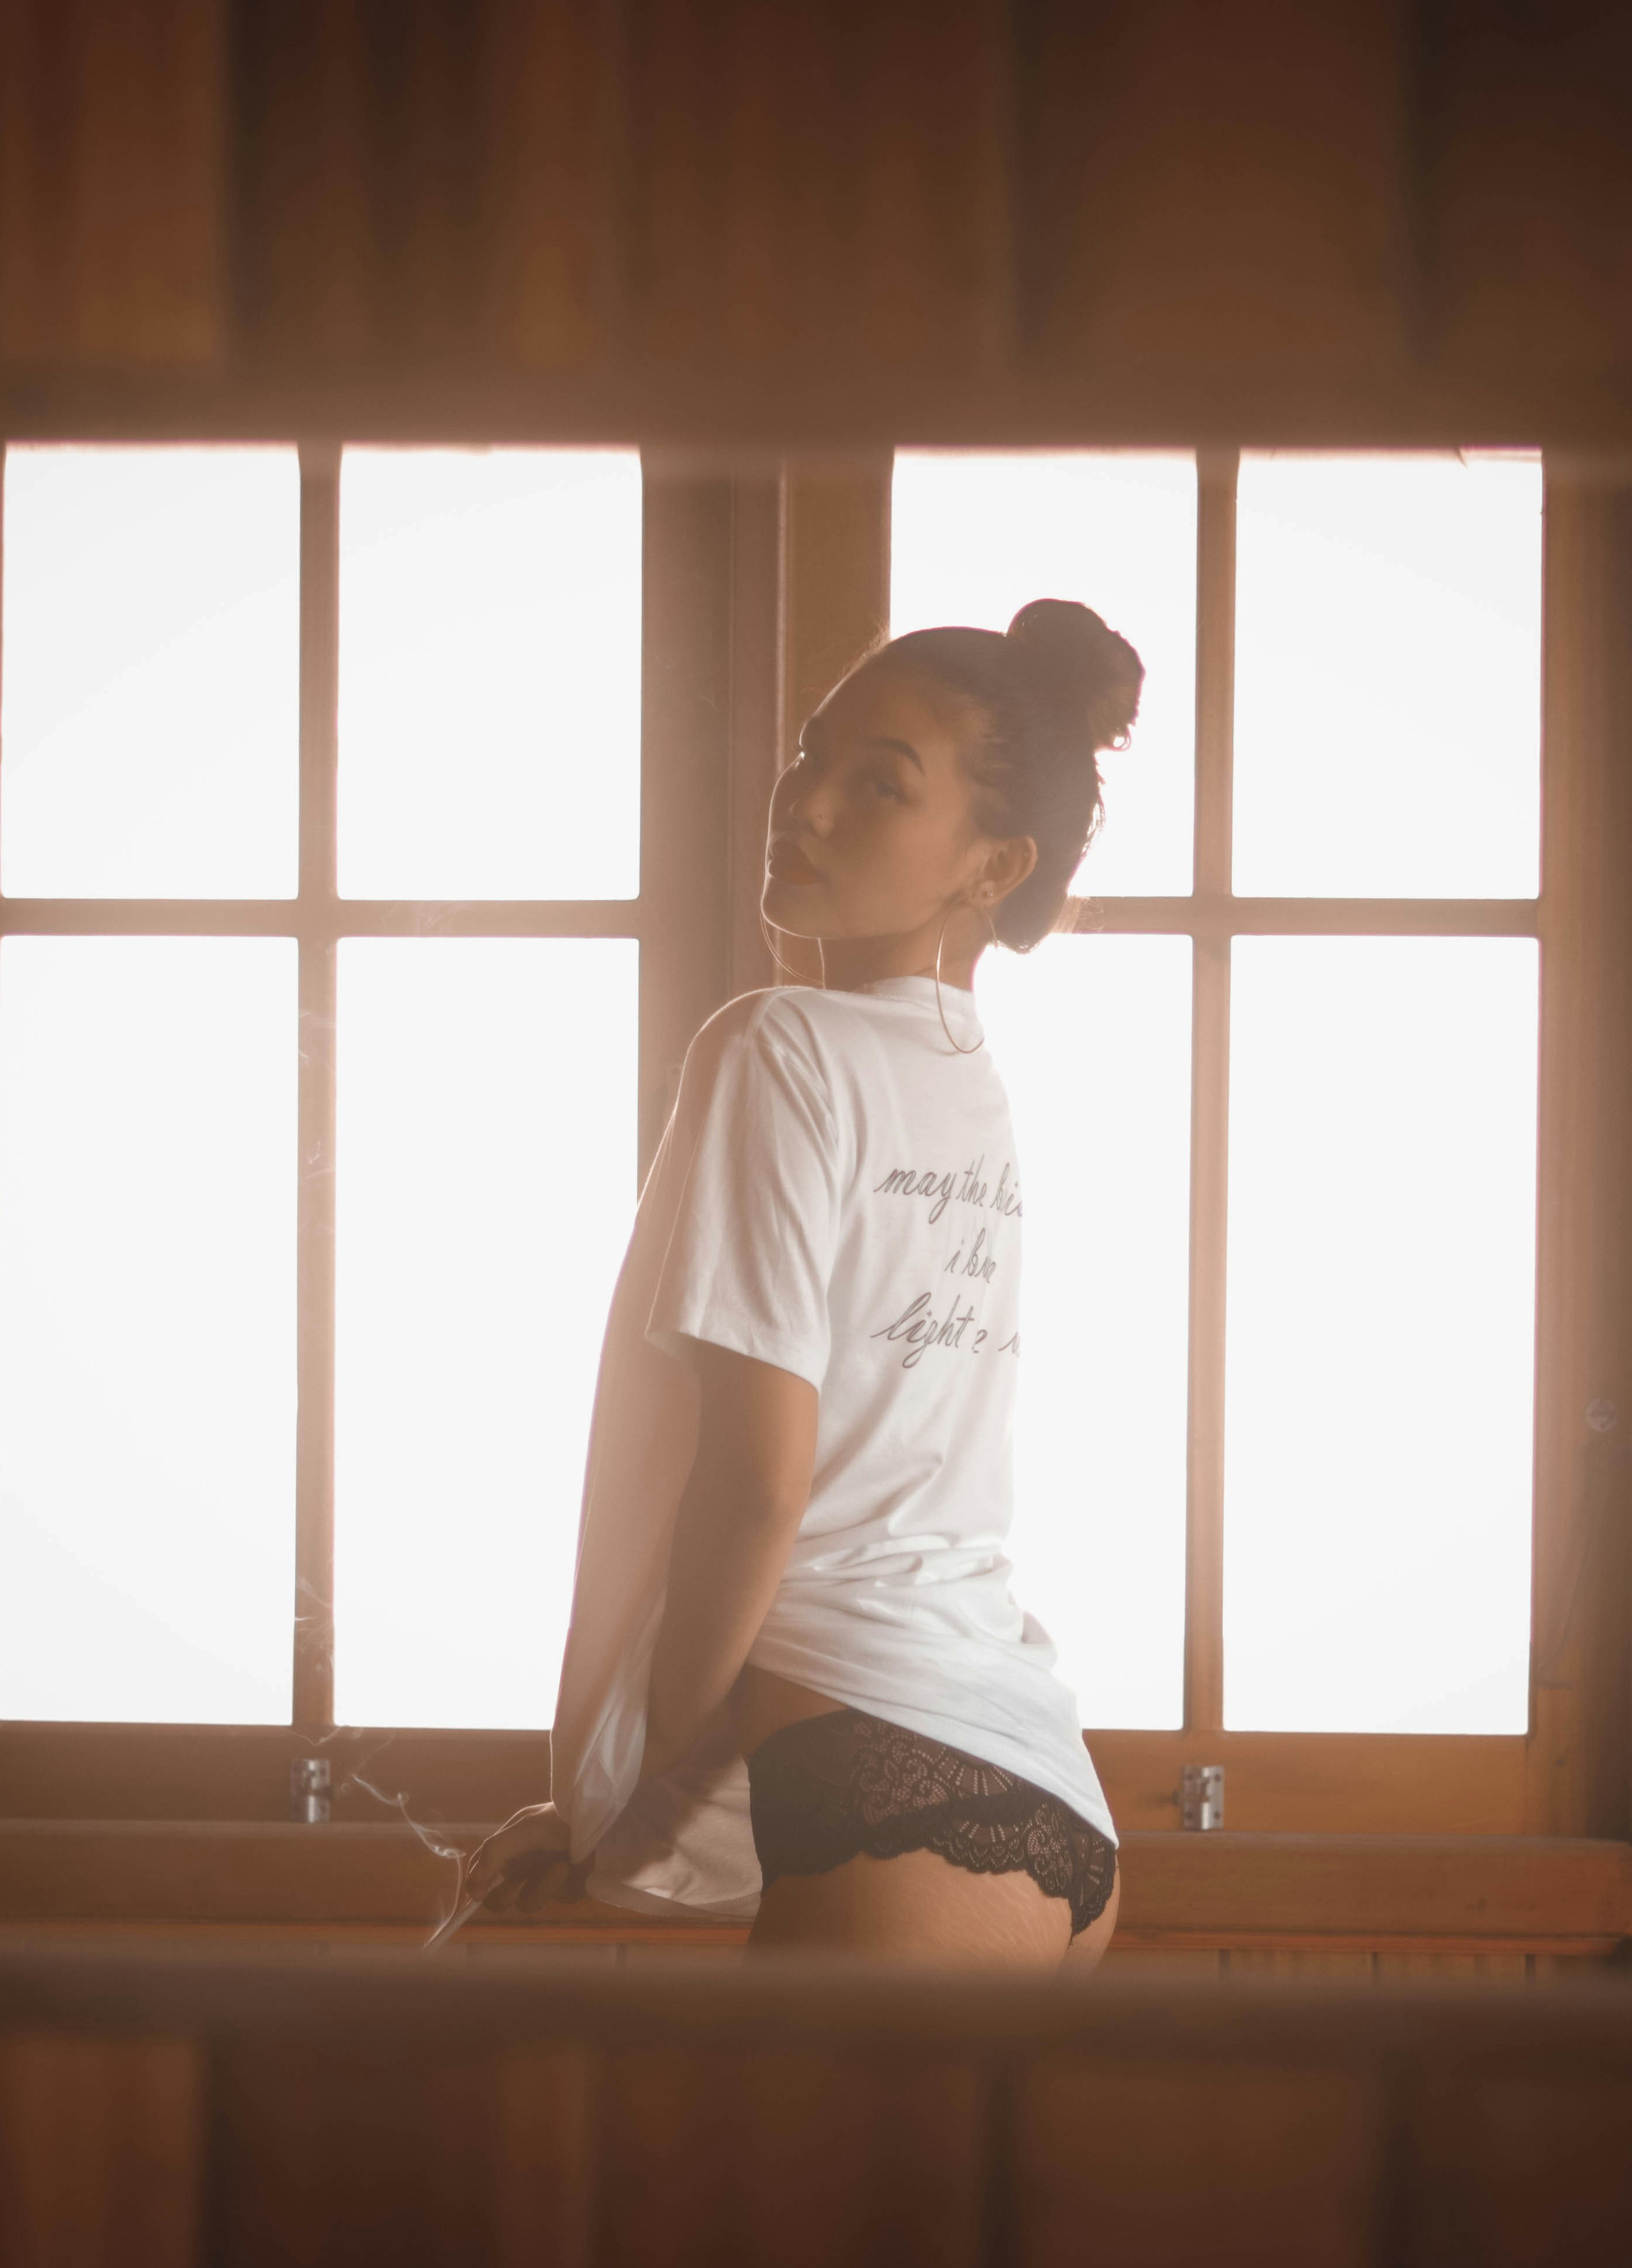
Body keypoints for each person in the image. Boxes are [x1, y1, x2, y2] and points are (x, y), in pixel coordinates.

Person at [460, 599, 1142, 1969]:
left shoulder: (778, 1046)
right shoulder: (968, 1090)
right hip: (1050, 1802)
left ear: (989, 867)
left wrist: (622, 1780)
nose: (808, 803)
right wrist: (598, 1820)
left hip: (891, 1799)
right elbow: (854, 1528)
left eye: (879, 785)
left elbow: (763, 1490)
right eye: (810, 755)